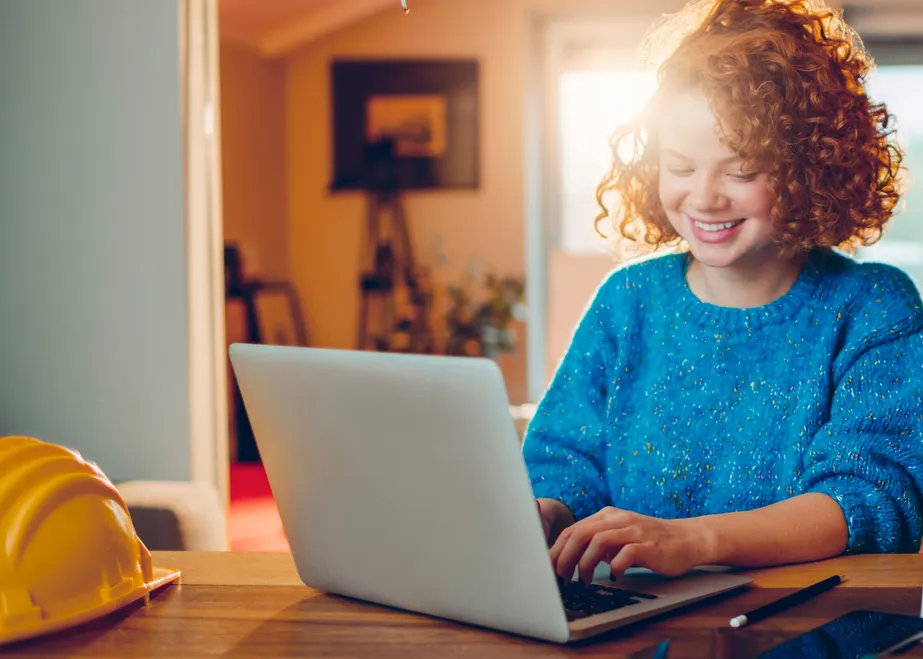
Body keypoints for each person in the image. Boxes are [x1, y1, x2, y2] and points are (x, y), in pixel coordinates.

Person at [522, 0, 923, 587]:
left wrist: (694, 540)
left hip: (805, 623)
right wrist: (545, 515)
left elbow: (871, 499)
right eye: (680, 167)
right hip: (633, 619)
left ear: (810, 170)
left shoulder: (872, 308)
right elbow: (564, 466)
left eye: (742, 171)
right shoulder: (626, 301)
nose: (705, 198)